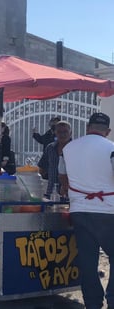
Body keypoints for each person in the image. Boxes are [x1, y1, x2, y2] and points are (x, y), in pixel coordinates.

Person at [58, 112, 114, 309]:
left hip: (79, 210)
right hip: (108, 211)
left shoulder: (68, 148)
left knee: (88, 260)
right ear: (107, 131)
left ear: (87, 128)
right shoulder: (111, 148)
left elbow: (62, 178)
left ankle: (92, 303)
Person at [42, 121, 72, 200]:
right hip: (51, 193)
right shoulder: (50, 148)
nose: (62, 134)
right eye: (59, 132)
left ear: (70, 133)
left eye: (65, 131)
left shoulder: (76, 148)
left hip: (70, 194)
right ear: (55, 133)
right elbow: (42, 167)